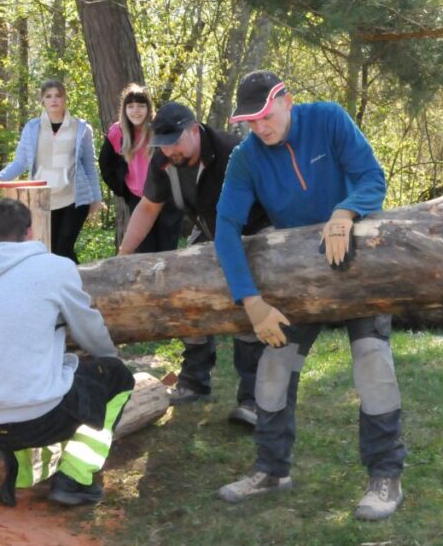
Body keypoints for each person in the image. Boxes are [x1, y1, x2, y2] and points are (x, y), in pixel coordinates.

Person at [212, 71, 407, 521]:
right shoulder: (246, 158)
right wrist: (252, 301)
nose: (260, 127)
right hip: (298, 274)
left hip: (359, 265)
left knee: (373, 363)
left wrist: (345, 212)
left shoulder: (329, 120)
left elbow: (372, 178)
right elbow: (225, 228)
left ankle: (385, 476)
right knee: (274, 367)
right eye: (251, 120)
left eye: (266, 115)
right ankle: (271, 470)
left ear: (287, 100)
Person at [0, 198, 134, 508]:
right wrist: (109, 357)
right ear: (30, 231)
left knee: (28, 380)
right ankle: (76, 478)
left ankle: (17, 470)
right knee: (117, 378)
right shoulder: (55, 268)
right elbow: (88, 328)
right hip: (42, 417)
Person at [117, 101, 271, 426]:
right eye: (163, 144)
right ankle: (194, 381)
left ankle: (254, 400)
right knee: (185, 298)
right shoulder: (164, 161)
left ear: (193, 130)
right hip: (209, 232)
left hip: (253, 234)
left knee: (246, 312)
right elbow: (148, 207)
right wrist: (123, 255)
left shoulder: (232, 151)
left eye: (174, 142)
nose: (169, 151)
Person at [0, 79, 105, 263]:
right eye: (48, 96)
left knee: (64, 248)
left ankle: (76, 288)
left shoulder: (81, 128)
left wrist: (96, 198)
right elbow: (21, 162)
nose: (54, 100)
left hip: (75, 199)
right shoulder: (32, 127)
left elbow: (89, 165)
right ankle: (70, 285)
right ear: (42, 100)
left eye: (58, 95)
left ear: (65, 98)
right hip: (43, 200)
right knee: (50, 250)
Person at [99, 83, 183, 254]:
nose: (135, 111)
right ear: (124, 109)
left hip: (167, 199)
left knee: (167, 251)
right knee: (144, 251)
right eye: (130, 106)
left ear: (148, 108)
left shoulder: (160, 129)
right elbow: (106, 165)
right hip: (138, 199)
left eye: (140, 106)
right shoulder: (117, 132)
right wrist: (124, 190)